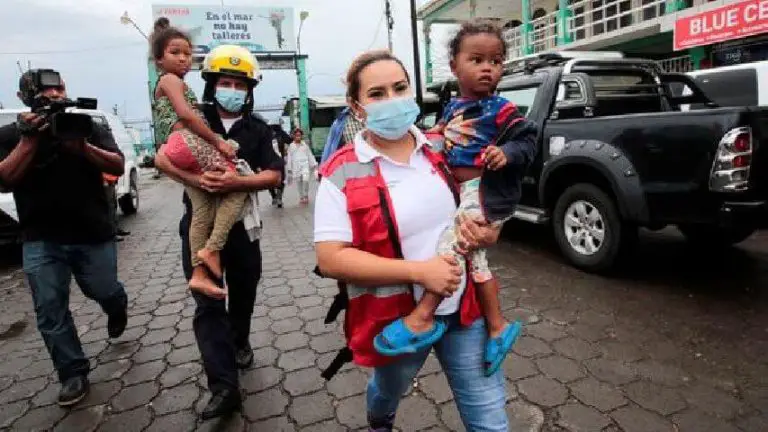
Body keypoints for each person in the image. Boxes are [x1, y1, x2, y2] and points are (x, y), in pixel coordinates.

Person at [314, 50, 511, 431]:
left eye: (400, 88)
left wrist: (492, 229)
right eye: (377, 93)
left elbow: (483, 198)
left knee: (490, 421)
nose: (393, 100)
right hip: (398, 322)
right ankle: (380, 418)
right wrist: (421, 272)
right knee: (388, 391)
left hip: (463, 310)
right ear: (357, 107)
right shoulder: (339, 171)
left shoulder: (446, 148)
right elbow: (331, 259)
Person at [374, 20, 537, 376]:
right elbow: (438, 136)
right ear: (454, 67)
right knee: (476, 262)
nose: (487, 68)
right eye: (476, 59)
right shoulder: (452, 108)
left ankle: (423, 315)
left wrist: (507, 152)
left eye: (495, 61)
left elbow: (528, 140)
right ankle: (497, 326)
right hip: (458, 192)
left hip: (482, 191)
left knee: (451, 248)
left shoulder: (501, 108)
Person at [154, 43, 282, 420]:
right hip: (198, 223)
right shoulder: (192, 119)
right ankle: (224, 386)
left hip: (243, 231)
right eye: (226, 82)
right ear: (211, 84)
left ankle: (240, 340)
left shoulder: (259, 128)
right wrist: (197, 179)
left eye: (241, 85)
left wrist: (237, 184)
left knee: (243, 293)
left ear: (250, 91)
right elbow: (161, 158)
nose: (233, 90)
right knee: (208, 305)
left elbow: (274, 175)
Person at [0, 69, 128, 406]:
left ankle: (117, 306)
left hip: (92, 232)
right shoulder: (12, 135)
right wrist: (30, 140)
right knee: (50, 309)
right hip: (41, 237)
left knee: (103, 289)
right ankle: (72, 373)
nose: (54, 96)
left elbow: (116, 166)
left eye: (59, 89)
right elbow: (4, 178)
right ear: (24, 99)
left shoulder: (87, 126)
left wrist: (82, 147)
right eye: (45, 92)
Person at [149, 19, 247, 298]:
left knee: (202, 208)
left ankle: (198, 273)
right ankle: (213, 249)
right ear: (158, 60)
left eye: (187, 53)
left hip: (177, 149)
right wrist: (218, 141)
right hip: (187, 142)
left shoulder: (170, 83)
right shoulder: (170, 80)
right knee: (239, 185)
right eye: (175, 52)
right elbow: (186, 115)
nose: (183, 59)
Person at [286, 128, 317, 205]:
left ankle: (306, 195)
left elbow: (310, 155)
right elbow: (289, 157)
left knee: (306, 179)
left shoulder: (305, 145)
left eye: (299, 135)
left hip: (305, 165)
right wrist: (289, 168)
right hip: (296, 166)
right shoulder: (291, 146)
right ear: (294, 136)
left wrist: (314, 164)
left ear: (301, 136)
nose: (298, 137)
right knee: (299, 182)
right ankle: (301, 197)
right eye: (296, 136)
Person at [103, 173, 130, 242]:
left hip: (110, 180)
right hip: (106, 180)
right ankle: (112, 233)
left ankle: (116, 229)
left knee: (113, 206)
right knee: (109, 207)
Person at [268, 125, 289, 208]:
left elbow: (289, 140)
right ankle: (274, 196)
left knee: (282, 179)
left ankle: (279, 197)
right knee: (270, 180)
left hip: (280, 160)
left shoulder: (281, 133)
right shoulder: (264, 133)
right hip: (268, 161)